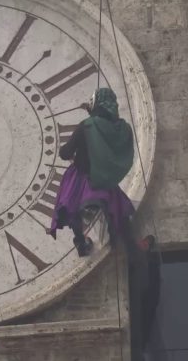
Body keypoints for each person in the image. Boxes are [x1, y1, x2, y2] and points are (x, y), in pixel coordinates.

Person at [48, 87, 135, 257]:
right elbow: (102, 127)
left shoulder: (87, 126)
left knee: (70, 205)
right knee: (115, 210)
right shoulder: (122, 129)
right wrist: (92, 112)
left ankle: (80, 242)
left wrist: (69, 152)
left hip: (83, 180)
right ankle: (115, 237)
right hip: (106, 183)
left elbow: (65, 153)